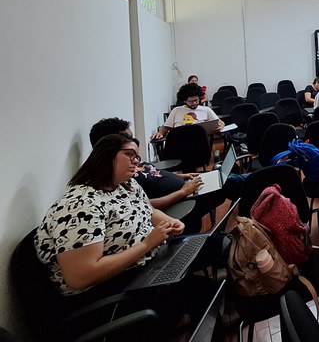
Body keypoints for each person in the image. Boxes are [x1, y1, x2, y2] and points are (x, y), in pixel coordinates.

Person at [35, 134, 218, 337]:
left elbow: (147, 209)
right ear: (105, 157)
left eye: (137, 156)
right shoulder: (79, 205)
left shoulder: (125, 184)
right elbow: (80, 277)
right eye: (129, 154)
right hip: (109, 291)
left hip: (146, 261)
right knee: (205, 293)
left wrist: (168, 221)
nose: (136, 161)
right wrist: (147, 244)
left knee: (216, 244)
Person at [89, 118, 243, 233]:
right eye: (127, 139)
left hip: (188, 187)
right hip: (184, 200)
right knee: (236, 183)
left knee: (233, 180)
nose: (134, 143)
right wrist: (183, 191)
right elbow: (146, 205)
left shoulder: (129, 163)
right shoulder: (120, 176)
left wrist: (181, 176)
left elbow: (154, 174)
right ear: (108, 146)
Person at [152, 83, 223, 140]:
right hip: (180, 142)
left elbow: (220, 123)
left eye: (196, 100)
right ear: (185, 100)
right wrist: (160, 133)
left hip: (200, 142)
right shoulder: (176, 110)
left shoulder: (206, 110)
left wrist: (220, 127)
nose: (194, 103)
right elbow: (165, 128)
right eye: (191, 101)